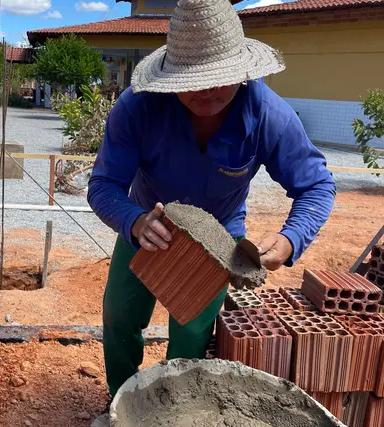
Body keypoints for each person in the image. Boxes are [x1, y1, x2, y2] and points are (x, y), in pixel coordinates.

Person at [86, 0, 337, 407]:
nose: (206, 92)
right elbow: (103, 185)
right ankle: (120, 403)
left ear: (242, 72)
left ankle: (174, 409)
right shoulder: (137, 107)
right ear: (172, 78)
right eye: (193, 81)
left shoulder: (268, 114)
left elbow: (317, 187)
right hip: (149, 224)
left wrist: (291, 239)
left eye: (218, 79)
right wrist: (132, 221)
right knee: (119, 317)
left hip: (222, 232)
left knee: (191, 331)